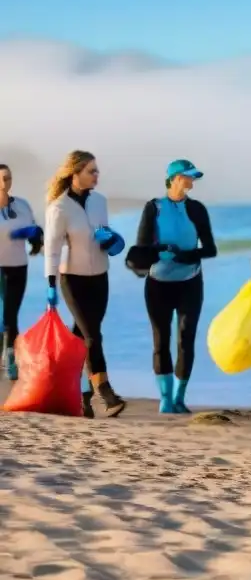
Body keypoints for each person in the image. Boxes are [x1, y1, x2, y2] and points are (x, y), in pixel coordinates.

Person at [43, 150, 127, 418]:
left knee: (82, 338)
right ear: (75, 173)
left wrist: (112, 240)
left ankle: (80, 397)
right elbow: (52, 249)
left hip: (100, 275)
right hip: (73, 279)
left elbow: (103, 234)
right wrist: (50, 283)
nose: (96, 175)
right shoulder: (59, 207)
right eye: (91, 171)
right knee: (93, 335)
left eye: (97, 170)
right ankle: (105, 390)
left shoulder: (100, 201)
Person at [132, 160, 217, 414]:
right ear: (174, 178)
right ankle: (165, 398)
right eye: (188, 177)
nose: (192, 182)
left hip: (190, 283)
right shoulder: (154, 208)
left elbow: (210, 249)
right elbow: (141, 249)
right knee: (161, 339)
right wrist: (158, 253)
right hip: (158, 284)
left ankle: (180, 397)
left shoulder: (198, 209)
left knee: (186, 339)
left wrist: (184, 256)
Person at [0, 164, 44, 381]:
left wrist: (35, 238)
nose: (3, 184)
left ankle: (10, 356)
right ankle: (8, 357)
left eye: (7, 178)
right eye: (0, 179)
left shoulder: (23, 206)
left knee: (11, 314)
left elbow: (35, 230)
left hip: (18, 266)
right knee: (3, 315)